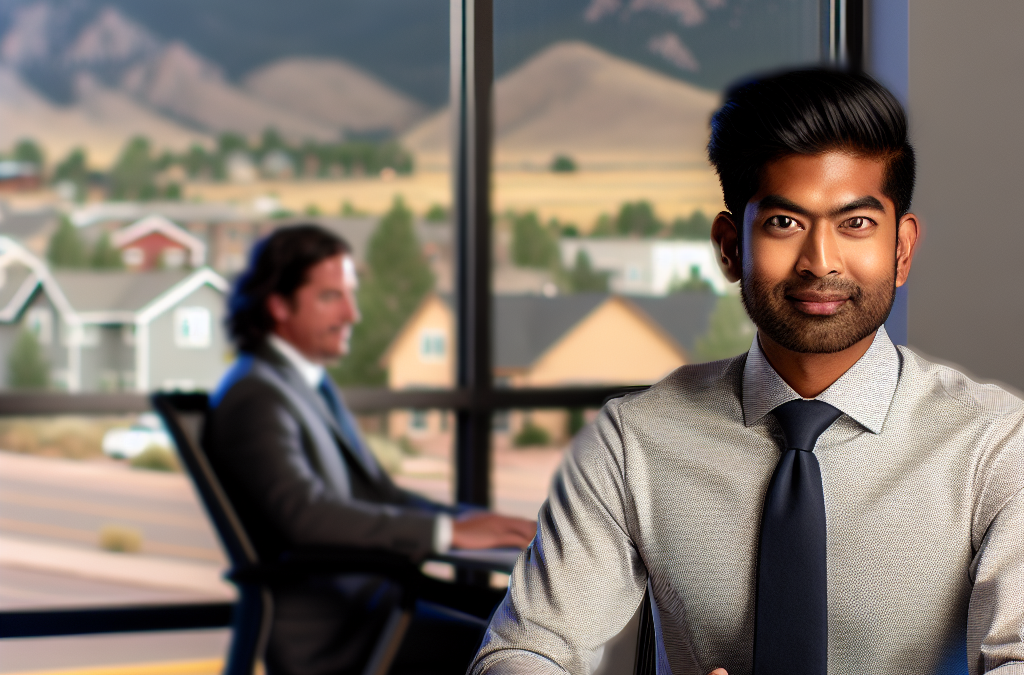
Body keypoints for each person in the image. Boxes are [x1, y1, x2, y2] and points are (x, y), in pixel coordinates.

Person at [469, 69, 1024, 675]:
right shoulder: (633, 439)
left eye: (856, 224)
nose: (820, 261)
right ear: (731, 247)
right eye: (784, 223)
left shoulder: (995, 443)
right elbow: (523, 652)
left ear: (902, 249)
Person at [206, 225, 535, 675]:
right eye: (330, 297)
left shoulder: (304, 384)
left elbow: (380, 495)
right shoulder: (256, 396)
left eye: (350, 294)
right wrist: (445, 535)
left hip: (374, 611)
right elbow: (306, 517)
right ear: (278, 305)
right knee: (528, 658)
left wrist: (463, 521)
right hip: (339, 633)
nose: (352, 314)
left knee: (529, 637)